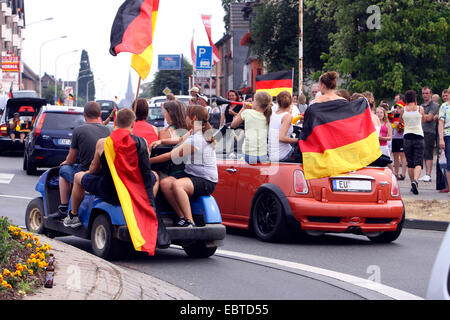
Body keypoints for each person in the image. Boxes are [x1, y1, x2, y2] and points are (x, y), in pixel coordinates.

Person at [64, 108, 159, 227]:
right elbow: (145, 166)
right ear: (133, 124)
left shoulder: (103, 143)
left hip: (111, 189)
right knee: (155, 176)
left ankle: (74, 215)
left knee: (78, 176)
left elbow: (94, 169)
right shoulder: (143, 142)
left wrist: (88, 171)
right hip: (135, 189)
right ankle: (145, 208)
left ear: (115, 123)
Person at [159, 105, 218, 227]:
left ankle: (189, 220)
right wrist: (161, 141)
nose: (185, 118)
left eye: (186, 116)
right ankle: (181, 216)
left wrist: (149, 160)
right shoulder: (193, 132)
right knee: (165, 183)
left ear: (193, 118)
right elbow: (179, 140)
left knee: (177, 185)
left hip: (205, 180)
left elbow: (172, 155)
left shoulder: (198, 138)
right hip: (192, 174)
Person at [50, 102, 111, 220]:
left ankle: (63, 207)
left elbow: (71, 159)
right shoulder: (109, 130)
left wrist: (65, 162)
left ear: (84, 114)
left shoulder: (79, 130)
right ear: (99, 114)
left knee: (63, 171)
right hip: (103, 172)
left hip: (86, 171)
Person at [231, 91, 272, 164]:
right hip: (263, 155)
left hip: (249, 156)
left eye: (253, 100)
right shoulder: (269, 116)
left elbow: (233, 124)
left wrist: (243, 108)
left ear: (256, 102)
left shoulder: (247, 112)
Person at [399, 90, 425, 195]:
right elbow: (423, 119)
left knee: (410, 163)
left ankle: (411, 184)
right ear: (415, 98)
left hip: (407, 136)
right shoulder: (420, 108)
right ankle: (416, 180)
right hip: (418, 136)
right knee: (418, 162)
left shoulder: (403, 110)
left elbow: (401, 121)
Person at [268, 91, 298, 162]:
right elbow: (281, 138)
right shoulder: (287, 116)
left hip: (272, 155)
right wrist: (299, 140)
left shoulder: (273, 114)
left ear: (277, 102)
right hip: (283, 155)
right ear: (291, 103)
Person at [419, 86, 440, 182]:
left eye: (427, 93)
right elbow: (424, 117)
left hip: (430, 131)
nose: (425, 95)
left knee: (428, 152)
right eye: (423, 93)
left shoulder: (434, 105)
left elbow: (429, 118)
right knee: (423, 153)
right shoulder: (422, 106)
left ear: (430, 94)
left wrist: (422, 116)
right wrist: (424, 116)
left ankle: (428, 174)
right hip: (421, 130)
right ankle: (426, 173)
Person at [391, 100, 407, 180]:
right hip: (394, 138)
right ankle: (396, 173)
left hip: (402, 138)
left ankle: (403, 174)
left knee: (403, 156)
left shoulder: (405, 116)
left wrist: (399, 126)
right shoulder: (393, 116)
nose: (397, 109)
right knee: (395, 156)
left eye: (400, 107)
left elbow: (406, 126)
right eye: (396, 107)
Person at [438, 88, 450, 196]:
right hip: (448, 134)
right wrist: (441, 139)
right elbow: (441, 123)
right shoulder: (444, 106)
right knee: (449, 162)